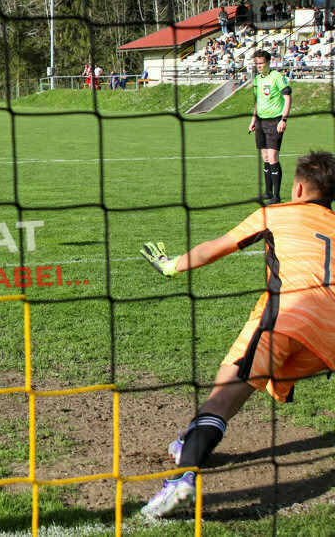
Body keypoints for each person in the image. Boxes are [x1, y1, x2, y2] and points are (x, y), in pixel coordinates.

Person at [139, 150, 335, 519]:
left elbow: (216, 248)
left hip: (286, 316)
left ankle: (181, 482)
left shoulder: (274, 214)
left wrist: (171, 266)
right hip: (329, 338)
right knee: (243, 383)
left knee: (221, 398)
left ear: (296, 188)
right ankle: (186, 443)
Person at [248, 49, 292, 204]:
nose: (259, 66)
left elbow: (287, 98)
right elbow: (257, 101)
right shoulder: (257, 80)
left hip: (275, 121)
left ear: (268, 62)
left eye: (261, 63)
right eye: (256, 64)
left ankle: (277, 196)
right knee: (265, 157)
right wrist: (253, 120)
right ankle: (267, 192)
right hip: (260, 121)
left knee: (273, 157)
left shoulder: (277, 77)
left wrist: (283, 119)